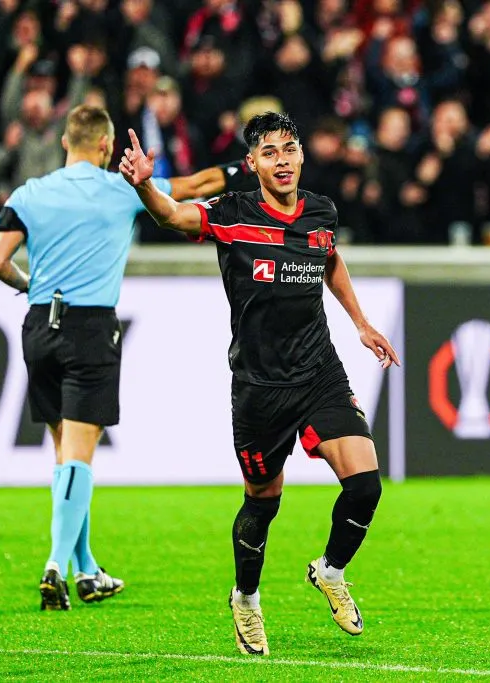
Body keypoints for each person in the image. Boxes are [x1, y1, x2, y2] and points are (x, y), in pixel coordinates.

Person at [117, 112, 400, 656]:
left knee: (365, 485)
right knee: (263, 502)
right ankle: (246, 599)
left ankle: (330, 570)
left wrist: (360, 323)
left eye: (289, 148)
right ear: (252, 165)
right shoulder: (233, 212)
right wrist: (146, 186)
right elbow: (175, 217)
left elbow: (328, 256)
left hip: (319, 372)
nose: (283, 159)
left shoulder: (321, 210)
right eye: (269, 152)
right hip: (260, 387)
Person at [0, 104, 239, 611]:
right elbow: (188, 189)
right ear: (105, 146)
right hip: (89, 329)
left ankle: (86, 569)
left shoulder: (29, 193)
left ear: (65, 142)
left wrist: (32, 285)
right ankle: (55, 564)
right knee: (79, 457)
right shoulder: (122, 189)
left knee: (65, 460)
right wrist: (237, 171)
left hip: (39, 325)